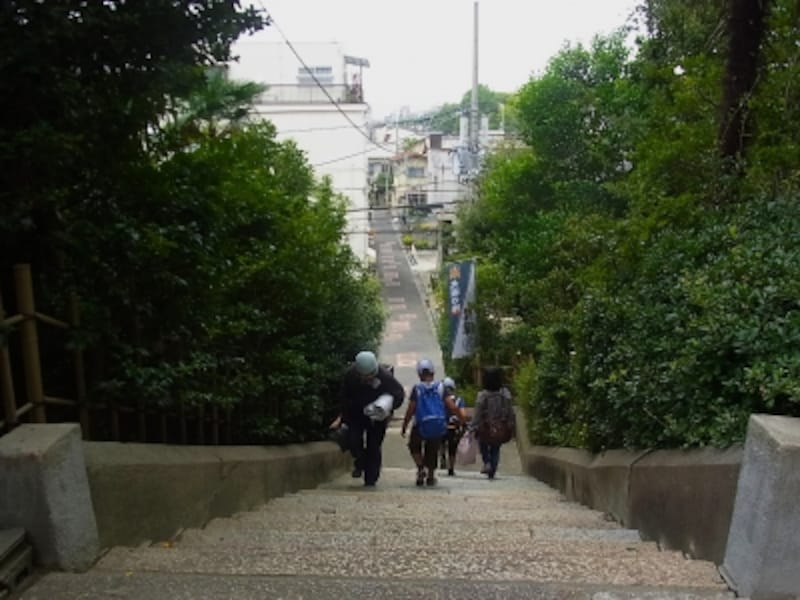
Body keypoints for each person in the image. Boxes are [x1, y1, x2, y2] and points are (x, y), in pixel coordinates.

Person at [331, 350, 404, 487]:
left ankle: (371, 478)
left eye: (370, 376)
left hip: (377, 416)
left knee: (374, 446)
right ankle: (360, 462)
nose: (367, 379)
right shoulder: (350, 375)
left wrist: (388, 407)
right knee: (353, 440)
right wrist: (341, 418)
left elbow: (399, 395)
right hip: (356, 414)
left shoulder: (385, 377)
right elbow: (344, 397)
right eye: (364, 377)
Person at [401, 359, 462, 487]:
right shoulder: (441, 387)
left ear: (419, 374)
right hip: (438, 424)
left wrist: (405, 425)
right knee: (432, 449)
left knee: (414, 446)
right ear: (433, 372)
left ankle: (421, 468)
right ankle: (430, 476)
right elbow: (452, 407)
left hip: (420, 424)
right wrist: (461, 419)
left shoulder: (417, 389)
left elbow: (411, 409)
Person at [470, 366, 516, 480]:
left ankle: (487, 462)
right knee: (496, 447)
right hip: (500, 425)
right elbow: (510, 409)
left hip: (485, 426)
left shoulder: (482, 395)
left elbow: (478, 412)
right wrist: (511, 422)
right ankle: (493, 468)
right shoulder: (505, 394)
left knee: (483, 444)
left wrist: (473, 425)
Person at [438, 377, 467, 476]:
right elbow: (463, 414)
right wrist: (463, 422)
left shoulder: (439, 399)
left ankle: (442, 456)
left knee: (441, 443)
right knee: (452, 448)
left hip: (441, 425)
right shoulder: (459, 400)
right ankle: (451, 468)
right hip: (453, 427)